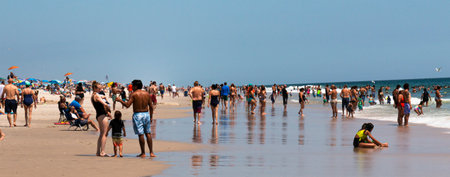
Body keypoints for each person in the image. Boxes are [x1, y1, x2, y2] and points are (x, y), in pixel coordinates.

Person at [117, 80, 156, 158]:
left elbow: (127, 105)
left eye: (132, 86)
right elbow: (151, 107)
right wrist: (151, 116)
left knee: (141, 134)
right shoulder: (147, 94)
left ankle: (143, 153)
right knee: (148, 133)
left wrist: (120, 100)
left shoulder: (133, 94)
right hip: (146, 114)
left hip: (138, 114)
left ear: (135, 86)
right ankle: (151, 152)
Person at [91, 81, 112, 157]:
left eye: (101, 88)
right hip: (102, 115)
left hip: (99, 115)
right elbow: (104, 104)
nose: (100, 90)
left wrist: (103, 97)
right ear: (94, 88)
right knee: (104, 134)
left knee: (101, 134)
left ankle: (98, 152)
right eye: (99, 88)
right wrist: (108, 109)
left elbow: (100, 99)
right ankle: (102, 152)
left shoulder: (94, 95)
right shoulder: (96, 96)